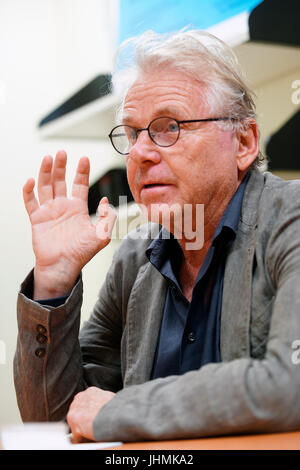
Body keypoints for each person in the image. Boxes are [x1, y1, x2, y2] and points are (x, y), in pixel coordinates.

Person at [14, 29, 300, 443]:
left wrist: (124, 409)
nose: (140, 153)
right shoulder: (133, 259)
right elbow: (60, 418)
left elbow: (290, 384)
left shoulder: (290, 218)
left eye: (168, 127)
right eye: (132, 134)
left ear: (243, 142)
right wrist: (53, 282)